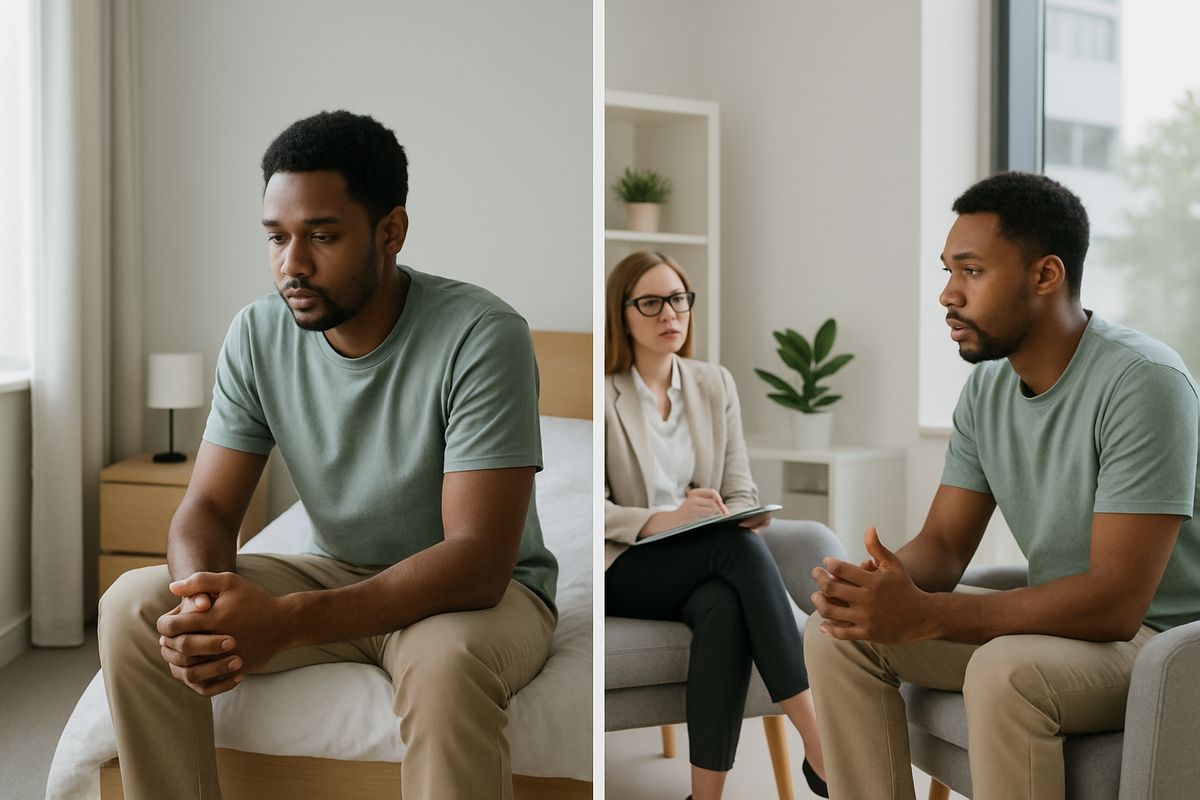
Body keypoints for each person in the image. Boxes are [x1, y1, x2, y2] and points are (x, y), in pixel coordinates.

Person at [97, 110, 559, 800]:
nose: (293, 264)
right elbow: (209, 507)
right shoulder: (257, 333)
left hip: (472, 595)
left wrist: (287, 622)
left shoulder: (482, 334)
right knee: (134, 606)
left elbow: (477, 560)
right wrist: (203, 603)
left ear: (390, 232)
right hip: (334, 569)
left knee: (446, 664)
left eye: (322, 236)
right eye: (276, 237)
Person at [804, 172, 1200, 800]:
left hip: (1159, 644)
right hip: (1061, 631)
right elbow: (943, 544)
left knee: (1004, 668)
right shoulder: (986, 390)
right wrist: (875, 589)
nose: (947, 294)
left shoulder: (1144, 382)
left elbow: (1117, 602)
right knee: (838, 638)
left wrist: (929, 614)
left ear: (1046, 275)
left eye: (972, 271)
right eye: (948, 271)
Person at [604, 251, 829, 800]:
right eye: (650, 303)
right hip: (622, 563)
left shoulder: (714, 383)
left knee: (723, 606)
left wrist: (735, 513)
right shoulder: (602, 389)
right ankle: (819, 741)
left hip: (701, 557)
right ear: (622, 313)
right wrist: (666, 519)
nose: (669, 314)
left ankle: (703, 797)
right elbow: (594, 507)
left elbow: (741, 487)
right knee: (737, 552)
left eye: (678, 299)